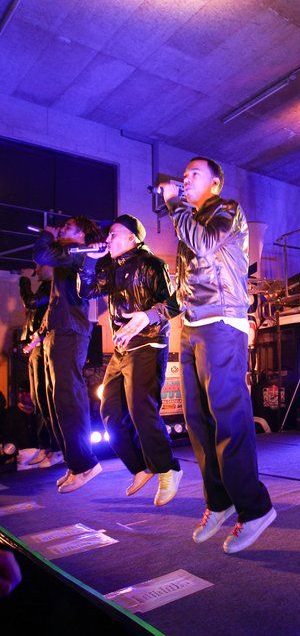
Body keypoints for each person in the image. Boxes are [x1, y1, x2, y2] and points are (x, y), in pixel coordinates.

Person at [161, 158, 275, 554]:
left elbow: (206, 243)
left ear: (215, 182)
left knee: (228, 417)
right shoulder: (189, 222)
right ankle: (219, 500)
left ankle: (255, 508)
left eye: (193, 174)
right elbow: (185, 281)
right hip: (192, 325)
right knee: (198, 421)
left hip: (222, 321)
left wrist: (174, 204)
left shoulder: (226, 210)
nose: (185, 179)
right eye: (184, 174)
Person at [77, 214, 182, 506]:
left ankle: (168, 468)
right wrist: (89, 261)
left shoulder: (152, 264)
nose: (108, 239)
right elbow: (86, 291)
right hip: (123, 349)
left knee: (141, 410)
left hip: (149, 343)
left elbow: (174, 303)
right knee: (109, 411)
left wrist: (148, 316)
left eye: (113, 234)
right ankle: (141, 466)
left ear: (132, 238)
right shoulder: (111, 268)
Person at [33, 216, 103, 493]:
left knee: (68, 399)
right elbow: (55, 297)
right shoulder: (69, 256)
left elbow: (41, 254)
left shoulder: (78, 253)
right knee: (56, 401)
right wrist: (42, 333)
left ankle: (85, 464)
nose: (61, 228)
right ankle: (75, 464)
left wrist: (46, 234)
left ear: (82, 235)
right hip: (59, 331)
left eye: (68, 227)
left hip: (70, 332)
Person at [19, 264, 62, 467]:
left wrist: (24, 279)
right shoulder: (45, 287)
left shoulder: (51, 286)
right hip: (35, 345)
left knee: (46, 399)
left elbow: (31, 302)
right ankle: (46, 447)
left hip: (43, 345)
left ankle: (56, 448)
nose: (36, 270)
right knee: (38, 399)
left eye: (39, 265)